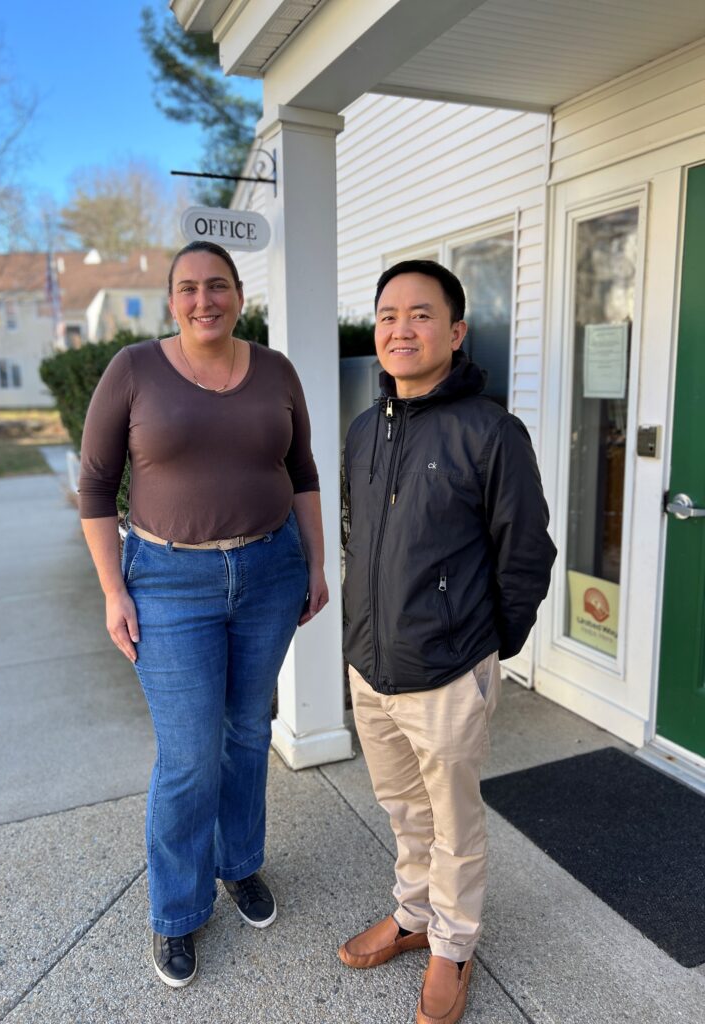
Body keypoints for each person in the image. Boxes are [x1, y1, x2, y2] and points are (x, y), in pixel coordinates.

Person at [78, 240, 328, 988]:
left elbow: (304, 470)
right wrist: (113, 590)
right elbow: (97, 488)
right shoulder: (133, 370)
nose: (202, 300)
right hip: (167, 582)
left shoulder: (277, 371)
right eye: (187, 288)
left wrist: (315, 564)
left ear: (239, 294)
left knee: (248, 733)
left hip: (268, 570)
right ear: (170, 300)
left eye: (216, 286)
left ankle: (239, 865)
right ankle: (177, 912)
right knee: (189, 756)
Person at [339, 260, 556, 1024]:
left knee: (454, 822)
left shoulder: (491, 432)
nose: (403, 327)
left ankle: (453, 946)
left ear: (455, 332)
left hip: (448, 674)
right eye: (389, 314)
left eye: (422, 313)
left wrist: (488, 648)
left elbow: (526, 554)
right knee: (403, 809)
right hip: (372, 668)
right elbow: (355, 540)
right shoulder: (364, 430)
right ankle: (413, 915)